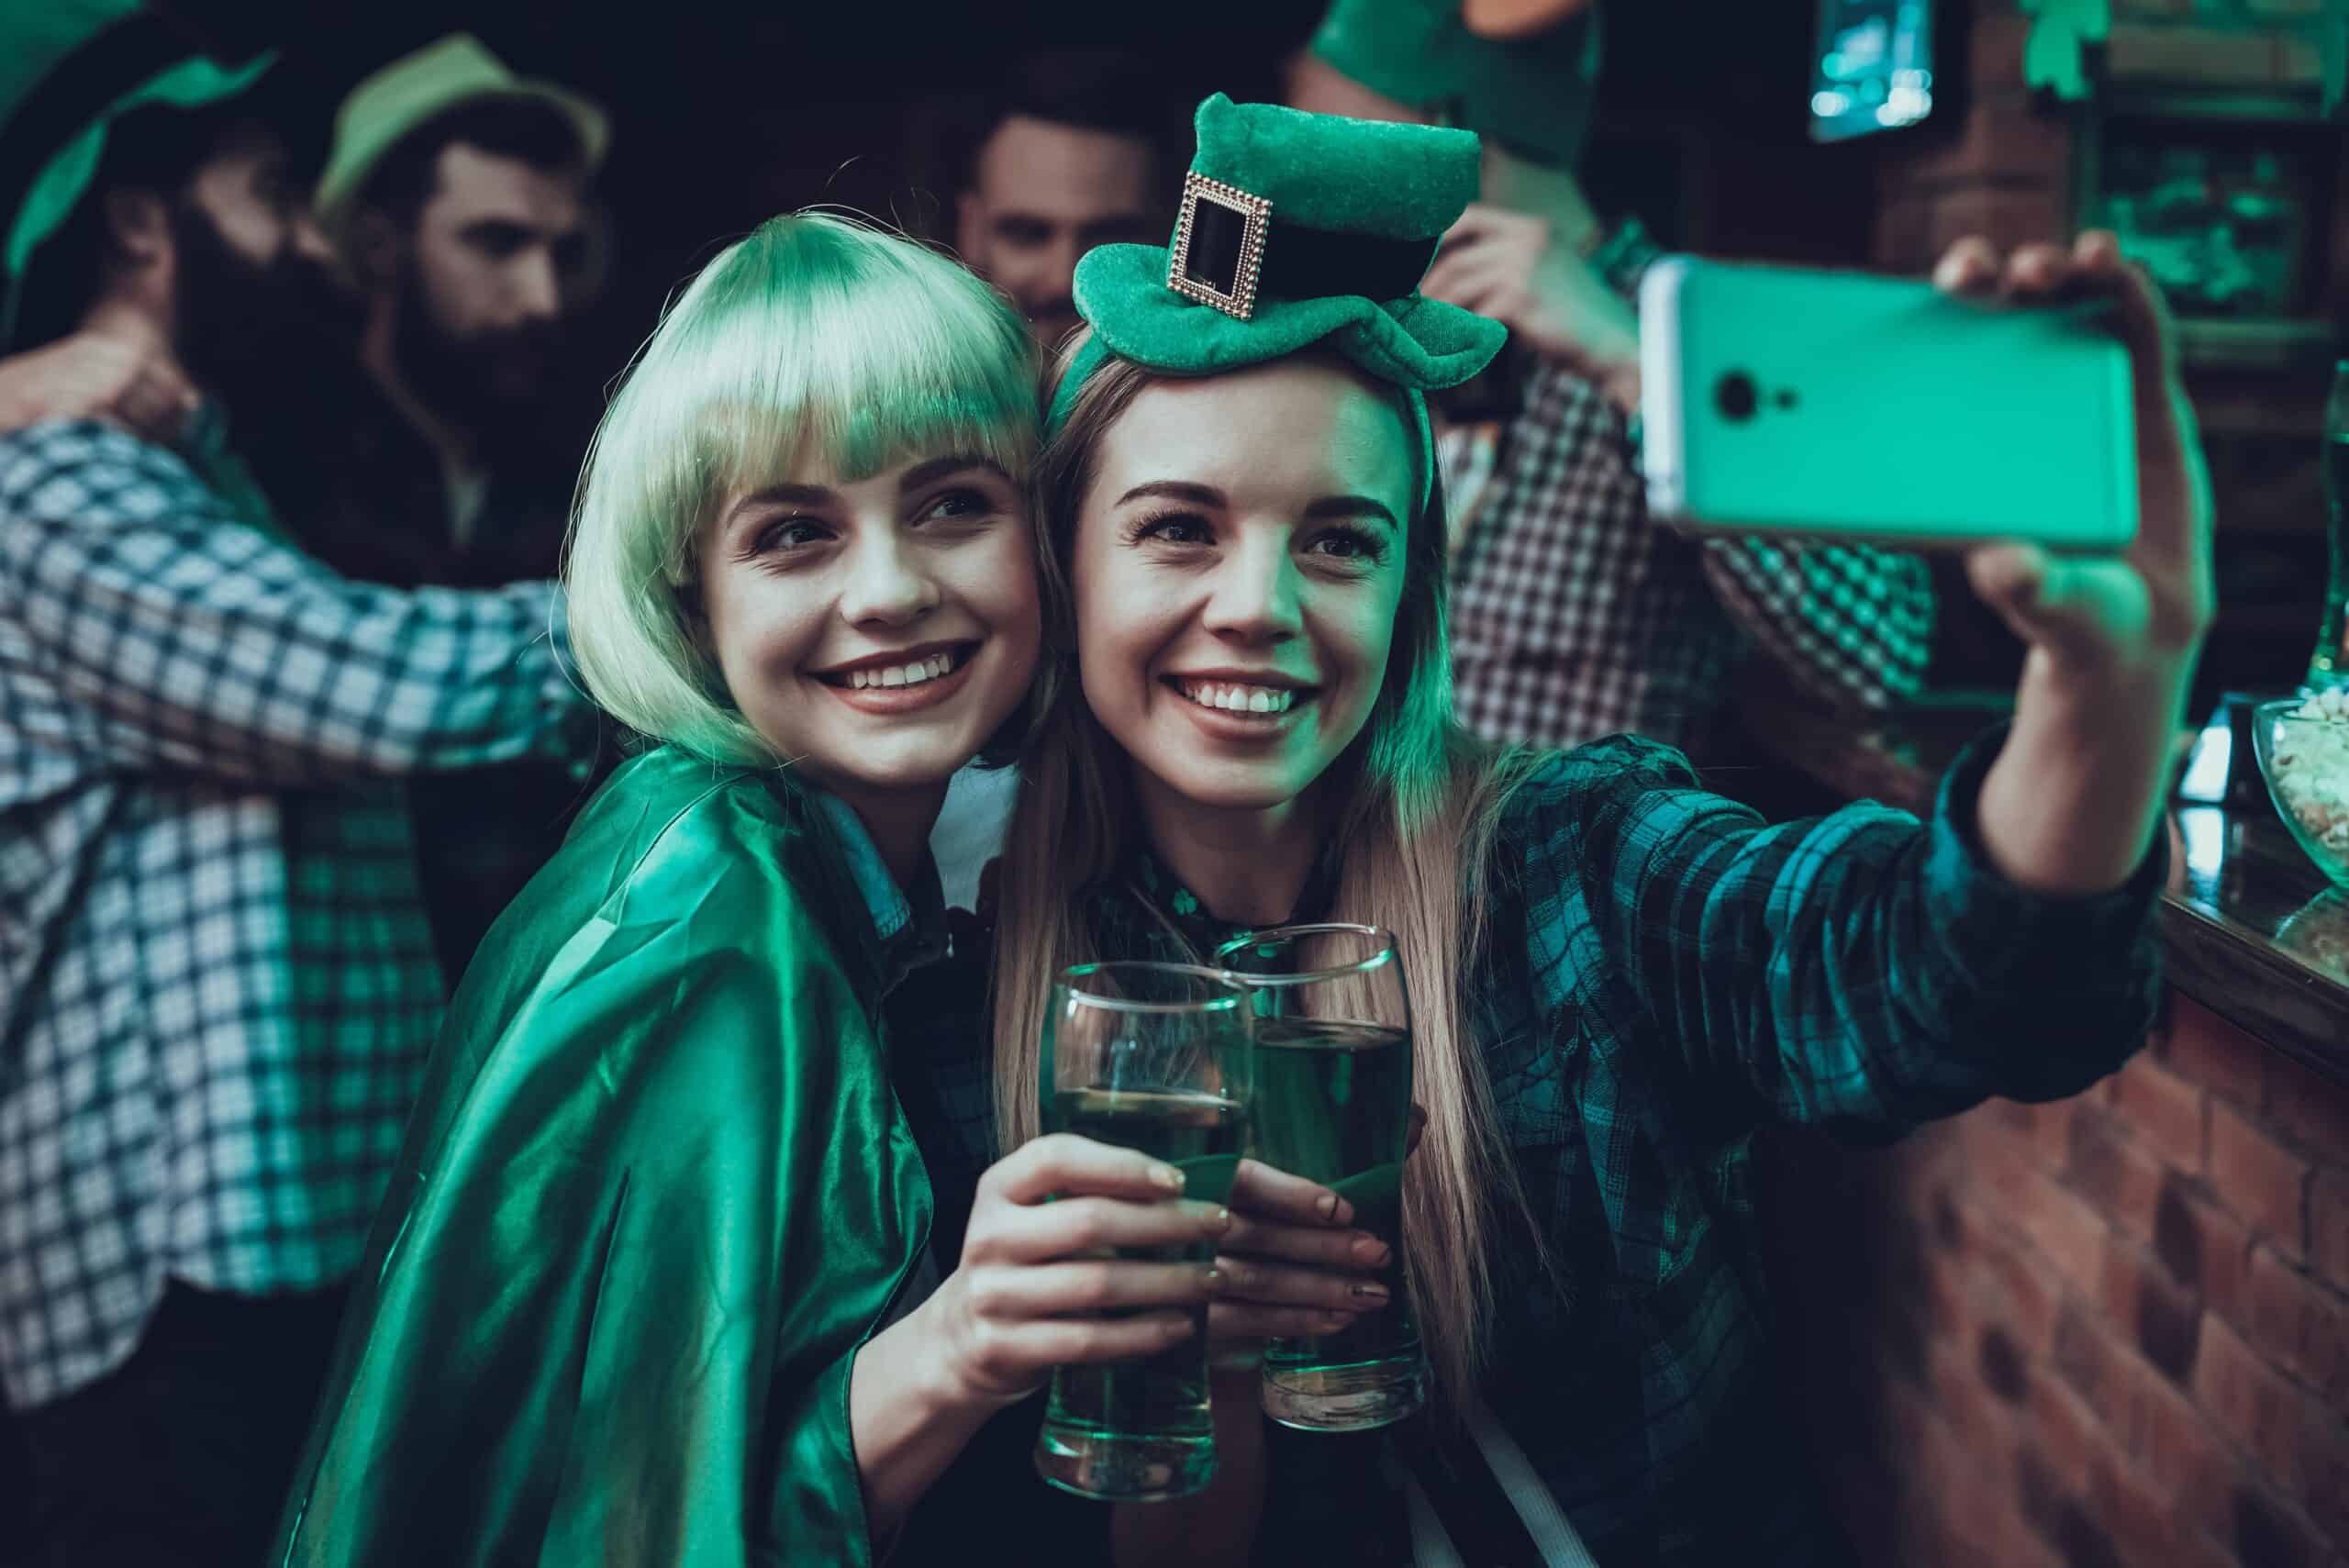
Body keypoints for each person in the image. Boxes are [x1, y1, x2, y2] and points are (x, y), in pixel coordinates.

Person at [988, 95, 2209, 1565]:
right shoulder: (985, 963)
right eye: (1179, 528)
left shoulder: (1569, 863)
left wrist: (2111, 675)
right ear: (1061, 572)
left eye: (1338, 540)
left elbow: (1930, 974)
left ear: (1409, 599)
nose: (1261, 604)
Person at [273, 211, 1388, 1567]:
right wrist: (965, 1338)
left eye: (951, 504)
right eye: (796, 533)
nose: (889, 591)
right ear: (694, 601)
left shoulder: (872, 886)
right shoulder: (703, 923)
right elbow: (623, 1523)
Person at [0, 14, 598, 1565]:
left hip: (270, 1246)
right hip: (152, 1270)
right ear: (141, 218)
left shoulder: (199, 463)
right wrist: (709, 602)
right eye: (272, 193)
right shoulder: (63, 482)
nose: (312, 244)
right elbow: (385, 684)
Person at [1294, 1, 1939, 761]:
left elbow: (1880, 658)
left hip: (1566, 865)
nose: (1314, 179)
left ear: (1439, 130)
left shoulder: (1705, 341)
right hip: (1376, 860)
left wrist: (1636, 367)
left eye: (1334, 135)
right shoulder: (1390, 325)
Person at [262, 33, 614, 980]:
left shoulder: (596, 472)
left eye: (561, 250)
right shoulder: (270, 467)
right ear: (378, 243)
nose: (541, 296)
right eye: (496, 243)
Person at [925, 50, 1186, 912]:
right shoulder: (895, 433)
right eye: (1027, 231)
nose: (1068, 280)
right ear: (970, 228)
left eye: (1109, 240)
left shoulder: (1216, 443)